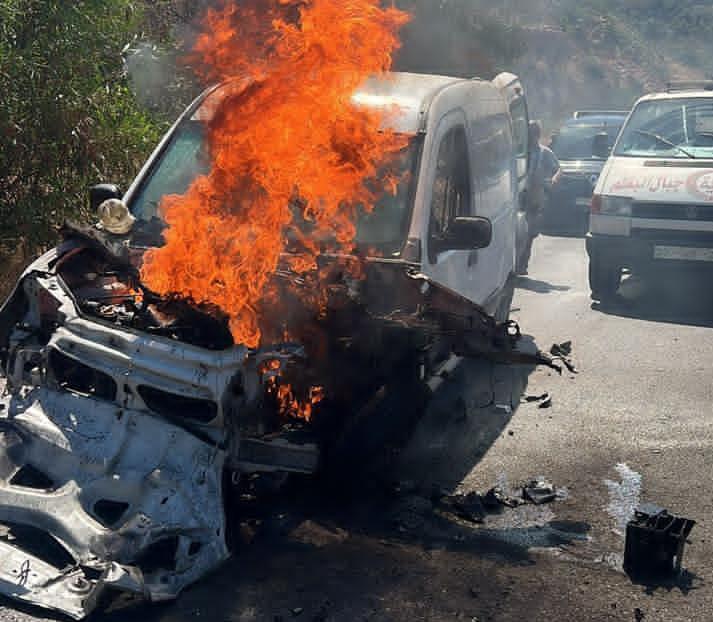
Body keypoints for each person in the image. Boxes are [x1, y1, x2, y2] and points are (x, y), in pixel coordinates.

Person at [520, 120, 561, 274]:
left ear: (537, 135)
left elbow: (558, 169)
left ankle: (523, 264)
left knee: (530, 232)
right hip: (517, 195)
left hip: (535, 195)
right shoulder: (519, 151)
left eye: (533, 133)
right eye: (529, 133)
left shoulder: (544, 153)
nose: (531, 137)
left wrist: (553, 180)